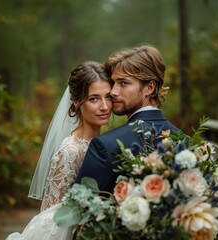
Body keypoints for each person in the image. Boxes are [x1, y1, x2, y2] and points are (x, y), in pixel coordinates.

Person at [6, 61, 112, 240]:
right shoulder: (71, 151)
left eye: (108, 97)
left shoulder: (104, 143)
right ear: (77, 101)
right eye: (94, 99)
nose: (105, 106)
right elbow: (52, 217)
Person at [75, 45, 179, 193]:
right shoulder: (187, 143)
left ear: (150, 88)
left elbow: (75, 207)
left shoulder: (105, 146)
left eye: (123, 83)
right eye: (113, 83)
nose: (113, 92)